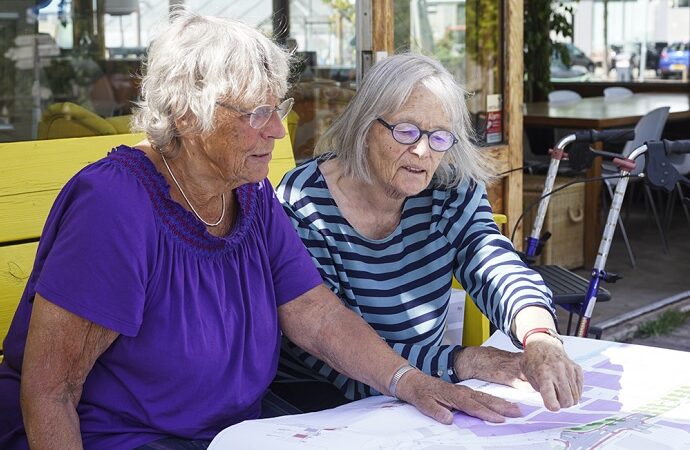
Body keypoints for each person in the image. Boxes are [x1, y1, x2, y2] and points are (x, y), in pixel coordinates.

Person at [0, 12, 530, 450]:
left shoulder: (249, 196)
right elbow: (52, 392)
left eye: (277, 109)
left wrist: (409, 381)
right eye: (257, 113)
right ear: (188, 115)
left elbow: (317, 316)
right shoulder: (115, 206)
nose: (278, 131)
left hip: (240, 436)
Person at [273, 53, 583, 412]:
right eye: (406, 131)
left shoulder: (449, 187)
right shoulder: (305, 200)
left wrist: (540, 336)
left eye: (439, 137)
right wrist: (463, 361)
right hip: (321, 402)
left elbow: (493, 262)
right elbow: (328, 343)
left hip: (423, 390)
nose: (422, 151)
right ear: (365, 127)